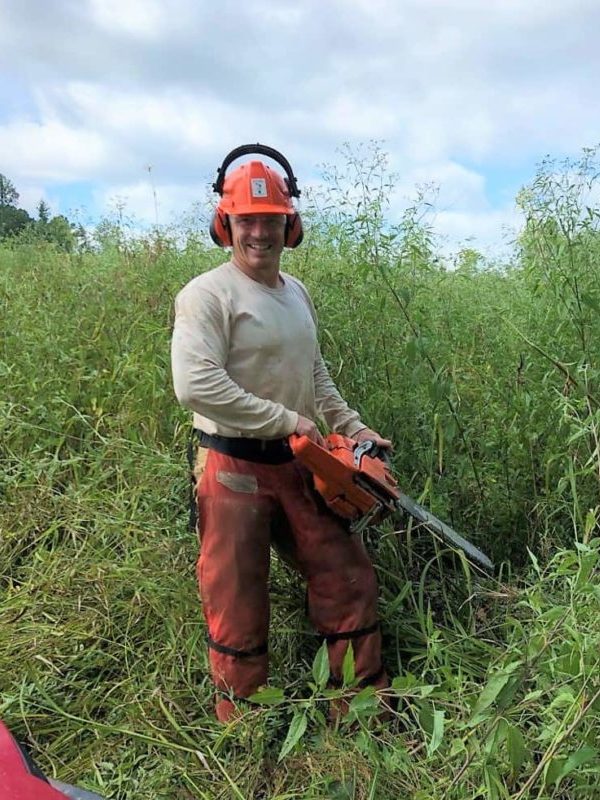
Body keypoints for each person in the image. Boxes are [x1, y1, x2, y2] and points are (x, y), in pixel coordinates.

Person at [171, 145, 392, 722]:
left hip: (302, 462)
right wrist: (284, 419)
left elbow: (313, 376)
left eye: (270, 220)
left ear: (289, 225)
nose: (259, 233)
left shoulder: (295, 293)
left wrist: (352, 427)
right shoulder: (207, 295)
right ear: (225, 224)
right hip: (232, 469)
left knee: (346, 576)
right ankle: (243, 725)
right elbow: (195, 385)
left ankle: (361, 707)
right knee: (237, 598)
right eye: (246, 220)